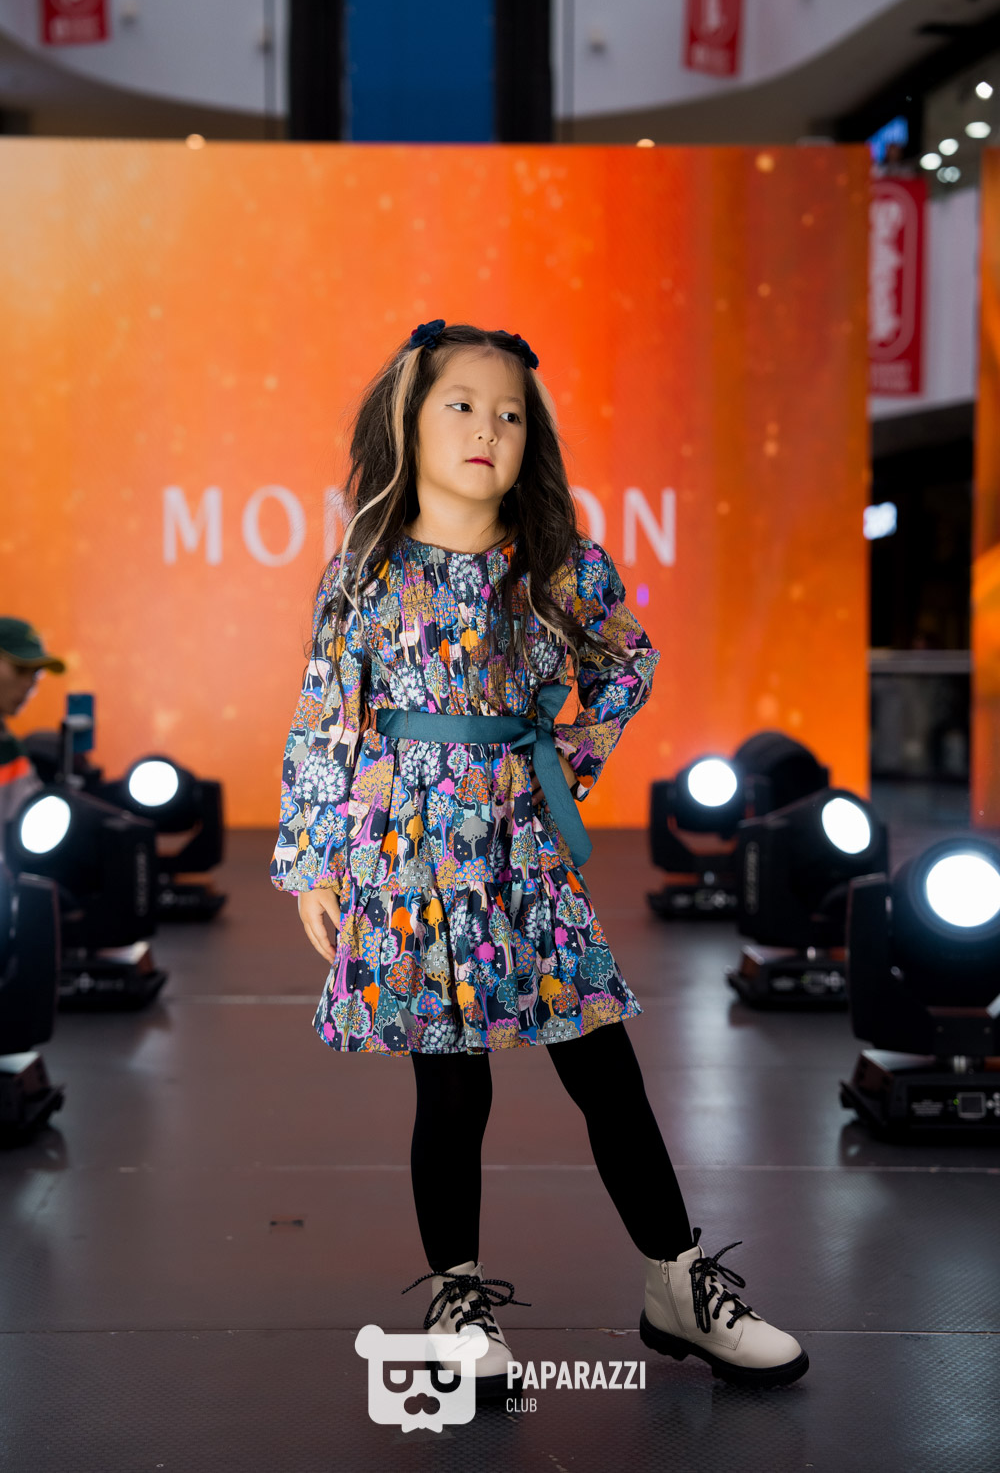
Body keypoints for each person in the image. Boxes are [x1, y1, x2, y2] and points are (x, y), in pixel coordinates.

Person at [269, 321, 808, 1398]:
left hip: (524, 853)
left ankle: (678, 1285)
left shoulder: (557, 562)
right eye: (462, 406)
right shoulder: (364, 572)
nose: (489, 429)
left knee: (605, 1070)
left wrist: (562, 760)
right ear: (408, 421)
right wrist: (313, 862)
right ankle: (458, 1300)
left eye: (511, 414)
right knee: (449, 1086)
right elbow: (326, 717)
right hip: (409, 856)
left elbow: (626, 663)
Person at [0, 617, 64, 865]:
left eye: (36, 673)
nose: (29, 684)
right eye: (20, 669)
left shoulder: (11, 751)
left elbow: (32, 824)